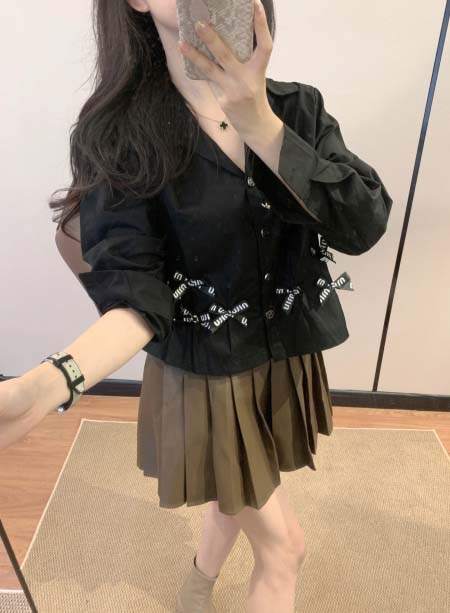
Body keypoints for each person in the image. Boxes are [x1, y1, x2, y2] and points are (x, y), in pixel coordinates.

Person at [0, 1, 393, 612]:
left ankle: (196, 584)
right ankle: (201, 585)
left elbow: (362, 224)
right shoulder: (118, 136)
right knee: (284, 548)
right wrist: (48, 385)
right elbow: (137, 295)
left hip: (283, 354)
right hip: (207, 375)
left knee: (240, 487)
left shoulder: (297, 109)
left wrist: (261, 125)